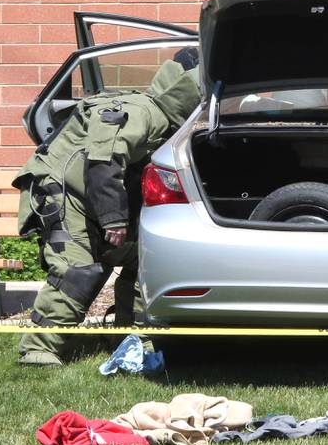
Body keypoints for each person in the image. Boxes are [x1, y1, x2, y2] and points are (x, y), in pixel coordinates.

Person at [13, 54, 201, 366]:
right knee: (77, 271)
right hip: (65, 196)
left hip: (98, 201)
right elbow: (102, 163)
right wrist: (113, 220)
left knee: (148, 262)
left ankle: (130, 339)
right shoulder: (140, 112)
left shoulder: (170, 124)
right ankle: (39, 350)